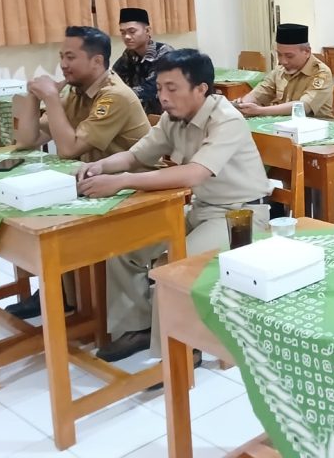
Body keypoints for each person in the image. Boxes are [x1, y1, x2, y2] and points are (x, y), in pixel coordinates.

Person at [76, 48, 271, 362]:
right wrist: (103, 167)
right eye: (160, 88)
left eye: (172, 88)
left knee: (176, 268)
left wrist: (123, 180)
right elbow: (137, 155)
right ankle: (138, 327)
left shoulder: (227, 120)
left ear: (201, 89)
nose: (163, 97)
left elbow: (194, 173)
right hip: (201, 209)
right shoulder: (173, 118)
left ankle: (182, 349)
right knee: (123, 248)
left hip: (240, 216)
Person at [9, 25, 151, 319]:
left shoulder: (115, 96)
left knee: (55, 216)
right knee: (32, 211)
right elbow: (26, 141)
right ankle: (62, 292)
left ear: (97, 61)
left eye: (70, 57)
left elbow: (68, 149)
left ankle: (76, 299)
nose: (63, 65)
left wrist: (50, 98)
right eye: (61, 56)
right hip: (95, 184)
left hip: (135, 191)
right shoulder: (75, 94)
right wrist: (35, 99)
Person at [233, 23, 333, 119]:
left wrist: (260, 110)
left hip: (317, 129)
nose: (283, 61)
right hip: (284, 125)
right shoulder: (280, 69)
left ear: (307, 51)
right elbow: (261, 91)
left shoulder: (321, 73)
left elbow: (303, 107)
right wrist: (244, 104)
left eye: (289, 56)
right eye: (279, 55)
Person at [112, 7, 175, 115]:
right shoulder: (129, 54)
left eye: (132, 31)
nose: (127, 37)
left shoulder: (164, 53)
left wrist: (118, 96)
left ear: (147, 30)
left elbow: (152, 87)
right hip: (137, 114)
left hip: (164, 115)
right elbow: (114, 78)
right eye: (123, 32)